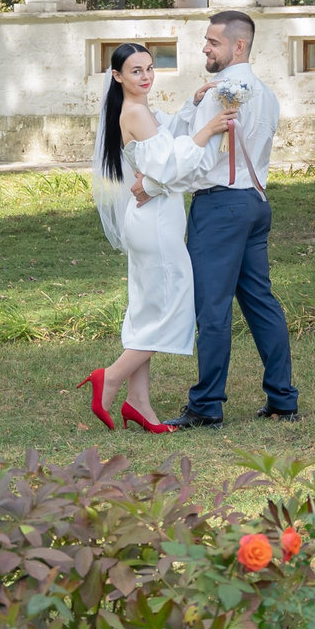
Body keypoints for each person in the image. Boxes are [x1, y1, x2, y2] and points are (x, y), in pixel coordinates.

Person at [82, 42, 238, 433]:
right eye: (136, 71)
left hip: (151, 218)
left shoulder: (142, 110)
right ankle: (110, 378)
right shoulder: (134, 112)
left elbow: (167, 139)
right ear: (117, 76)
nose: (146, 76)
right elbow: (170, 166)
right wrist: (208, 129)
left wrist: (192, 105)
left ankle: (139, 403)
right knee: (171, 307)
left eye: (150, 68)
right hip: (155, 225)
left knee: (148, 309)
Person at [163, 11, 297, 427]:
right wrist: (193, 104)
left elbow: (198, 161)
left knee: (213, 309)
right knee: (261, 302)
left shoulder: (221, 95)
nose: (205, 47)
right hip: (255, 203)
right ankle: (283, 399)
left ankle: (207, 406)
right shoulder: (267, 95)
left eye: (213, 42)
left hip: (220, 208)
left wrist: (158, 184)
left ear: (238, 46)